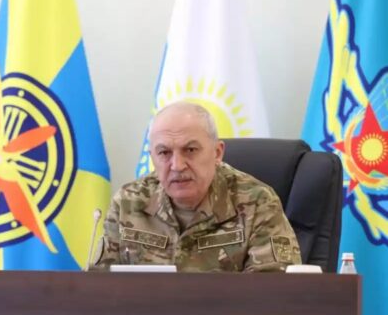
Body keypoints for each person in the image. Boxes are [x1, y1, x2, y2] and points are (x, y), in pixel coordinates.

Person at [92, 101, 301, 272]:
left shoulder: (257, 202)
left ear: (217, 153)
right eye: (164, 153)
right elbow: (99, 289)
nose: (177, 165)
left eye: (190, 150)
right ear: (152, 157)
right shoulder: (128, 202)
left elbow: (276, 293)